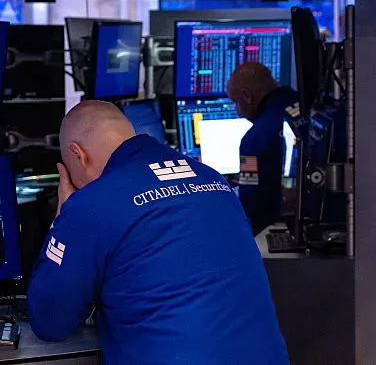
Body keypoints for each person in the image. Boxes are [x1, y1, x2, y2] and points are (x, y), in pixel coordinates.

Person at [28, 101, 288, 364]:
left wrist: (62, 218)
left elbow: (50, 320)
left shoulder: (91, 203)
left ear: (77, 155)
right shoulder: (213, 180)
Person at [227, 62, 302, 233]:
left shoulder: (253, 141)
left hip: (282, 228)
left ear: (247, 96)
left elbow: (251, 206)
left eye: (235, 102)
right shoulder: (306, 102)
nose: (238, 112)